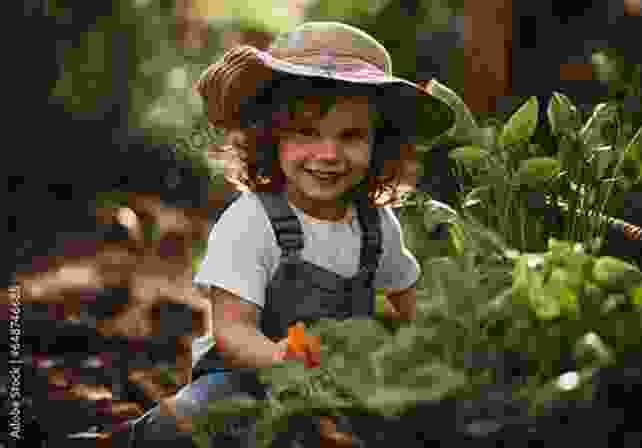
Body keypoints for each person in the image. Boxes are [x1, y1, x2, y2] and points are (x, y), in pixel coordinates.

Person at [131, 21, 455, 448]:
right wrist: (283, 358)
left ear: (380, 145)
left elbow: (420, 307)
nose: (329, 154)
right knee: (188, 422)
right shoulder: (251, 222)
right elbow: (233, 333)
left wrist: (446, 345)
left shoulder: (376, 225)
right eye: (306, 132)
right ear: (271, 138)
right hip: (246, 382)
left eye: (352, 136)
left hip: (338, 388)